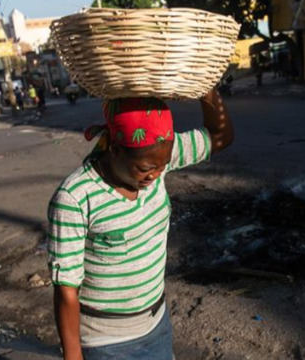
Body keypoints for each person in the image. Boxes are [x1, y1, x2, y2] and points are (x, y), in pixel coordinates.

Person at [47, 89, 233, 360]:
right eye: (145, 168)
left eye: (162, 166)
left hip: (156, 322)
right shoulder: (74, 198)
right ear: (115, 148)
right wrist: (73, 356)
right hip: (105, 342)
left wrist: (207, 89)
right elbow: (66, 289)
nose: (155, 175)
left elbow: (221, 136)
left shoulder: (158, 157)